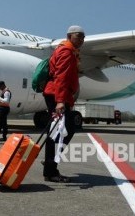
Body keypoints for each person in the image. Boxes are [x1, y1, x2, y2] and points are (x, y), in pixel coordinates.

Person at [42, 25, 85, 183]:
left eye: (83, 37)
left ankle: (50, 164)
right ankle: (50, 168)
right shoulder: (66, 52)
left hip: (57, 94)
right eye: (78, 36)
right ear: (69, 36)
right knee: (61, 132)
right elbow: (61, 77)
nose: (82, 39)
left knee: (58, 132)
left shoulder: (67, 50)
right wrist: (60, 101)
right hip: (57, 95)